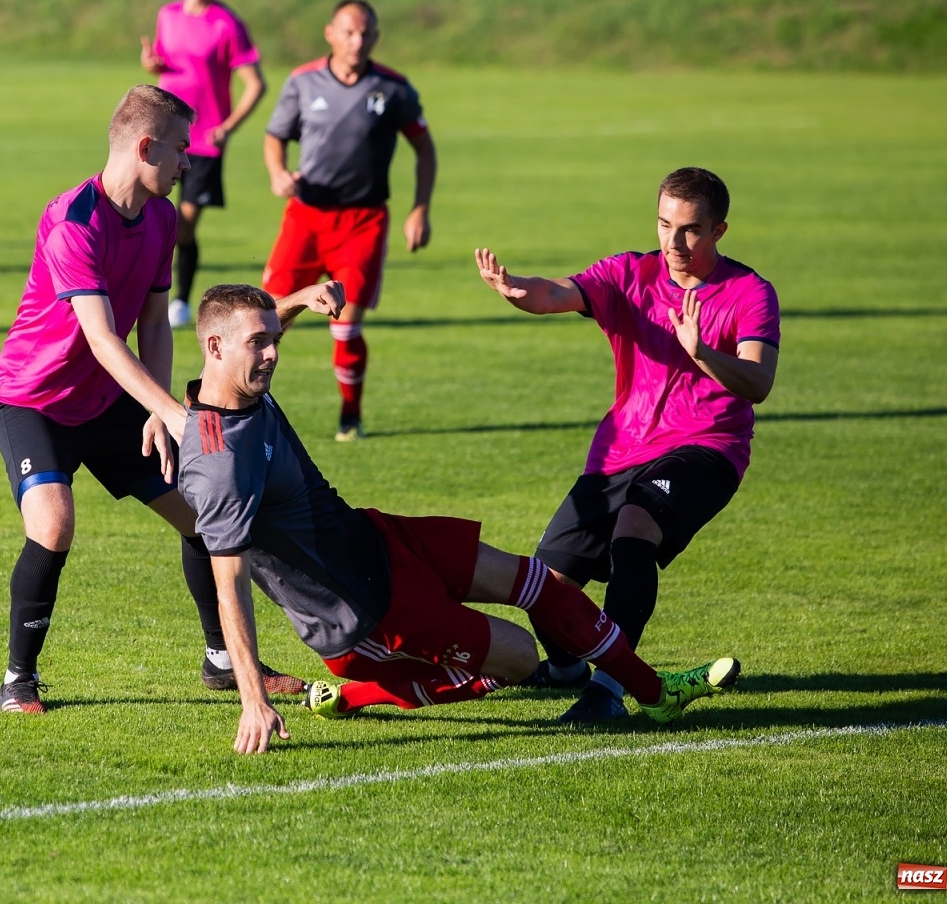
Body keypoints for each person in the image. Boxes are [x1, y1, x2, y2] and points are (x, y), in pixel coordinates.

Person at [171, 284, 741, 754]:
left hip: (377, 537)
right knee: (519, 658)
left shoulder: (240, 382)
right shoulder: (221, 463)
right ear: (215, 348)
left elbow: (257, 337)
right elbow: (229, 583)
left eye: (274, 339)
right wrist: (253, 696)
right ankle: (360, 694)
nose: (272, 353)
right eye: (258, 343)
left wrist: (297, 300)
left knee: (534, 580)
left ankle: (656, 692)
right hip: (362, 609)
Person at [0, 85, 334, 714]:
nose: (188, 162)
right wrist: (177, 416)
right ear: (145, 147)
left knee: (203, 514)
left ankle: (223, 661)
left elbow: (152, 323)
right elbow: (97, 337)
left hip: (110, 399)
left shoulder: (162, 218)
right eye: (179, 149)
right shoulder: (73, 221)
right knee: (54, 525)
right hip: (32, 401)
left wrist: (157, 407)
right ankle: (18, 679)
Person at [474, 166, 779, 723]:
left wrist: (703, 352)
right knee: (548, 582)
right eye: (665, 225)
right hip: (621, 449)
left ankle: (609, 688)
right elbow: (556, 293)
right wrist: (519, 291)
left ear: (719, 231)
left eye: (690, 229)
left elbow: (759, 382)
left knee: (635, 526)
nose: (674, 241)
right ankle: (566, 668)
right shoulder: (628, 273)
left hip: (706, 449)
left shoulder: (749, 293)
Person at [261, 0, 437, 441]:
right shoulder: (303, 81)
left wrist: (420, 209)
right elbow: (275, 136)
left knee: (345, 325)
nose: (357, 41)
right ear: (330, 33)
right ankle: (243, 411)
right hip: (305, 217)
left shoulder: (394, 89)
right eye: (349, 32)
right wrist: (278, 173)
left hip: (363, 223)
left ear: (376, 37)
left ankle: (349, 416)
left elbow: (425, 149)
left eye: (366, 33)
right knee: (264, 321)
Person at [139, 0, 266, 330]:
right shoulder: (168, 15)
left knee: (183, 222)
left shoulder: (227, 24)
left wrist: (228, 127)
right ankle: (152, 295)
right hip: (163, 135)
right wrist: (151, 63)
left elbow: (255, 84)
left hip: (205, 143)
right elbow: (162, 63)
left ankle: (179, 298)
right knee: (150, 215)